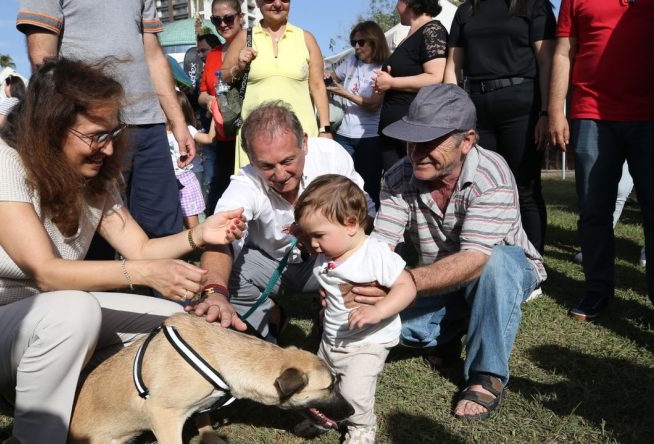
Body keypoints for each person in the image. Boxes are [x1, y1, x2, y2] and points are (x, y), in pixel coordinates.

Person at [0, 58, 245, 444]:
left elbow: (140, 248)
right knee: (74, 310)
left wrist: (199, 235)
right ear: (51, 128)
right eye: (95, 136)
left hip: (42, 325)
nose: (107, 148)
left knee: (176, 322)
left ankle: (100, 406)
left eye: (113, 133)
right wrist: (143, 274)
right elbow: (46, 273)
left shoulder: (95, 181)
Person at [362, 84, 545, 420]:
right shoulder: (399, 174)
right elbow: (381, 247)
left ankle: (485, 374)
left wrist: (404, 284)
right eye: (411, 139)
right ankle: (450, 331)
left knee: (495, 263)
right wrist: (354, 292)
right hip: (440, 278)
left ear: (467, 141)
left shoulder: (492, 174)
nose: (416, 152)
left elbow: (476, 259)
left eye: (431, 142)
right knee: (386, 326)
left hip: (499, 269)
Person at [16, 0, 196, 257]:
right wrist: (71, 124)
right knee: (91, 235)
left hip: (148, 123)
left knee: (163, 223)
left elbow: (154, 56)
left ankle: (168, 296)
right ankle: (94, 297)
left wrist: (178, 122)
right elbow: (43, 60)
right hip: (88, 128)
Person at [186, 101, 372, 343]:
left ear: (304, 142)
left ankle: (333, 323)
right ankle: (270, 323)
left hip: (331, 258)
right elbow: (220, 242)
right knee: (230, 274)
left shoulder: (331, 156)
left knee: (367, 262)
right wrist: (215, 293)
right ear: (251, 160)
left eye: (287, 161)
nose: (281, 175)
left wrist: (345, 260)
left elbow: (363, 217)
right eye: (267, 166)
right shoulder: (245, 184)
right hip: (271, 264)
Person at [548, 0, 654, 319]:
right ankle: (597, 289)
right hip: (591, 114)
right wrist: (555, 110)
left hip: (649, 117)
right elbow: (564, 52)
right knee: (594, 209)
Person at [293, 174, 416, 443]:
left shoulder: (375, 254)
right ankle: (327, 417)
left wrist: (378, 310)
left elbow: (407, 286)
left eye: (319, 235)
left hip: (367, 341)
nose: (313, 244)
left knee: (354, 391)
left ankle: (361, 427)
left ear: (350, 224)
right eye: (309, 235)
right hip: (333, 337)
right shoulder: (330, 251)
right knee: (321, 382)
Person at [444, 0, 555, 256]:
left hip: (523, 105)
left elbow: (546, 61)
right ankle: (484, 254)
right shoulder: (466, 10)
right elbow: (452, 67)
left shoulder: (533, 5)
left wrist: (547, 112)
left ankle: (532, 262)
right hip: (477, 108)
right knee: (481, 184)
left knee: (524, 187)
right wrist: (452, 115)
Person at [222, 0, 331, 171]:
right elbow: (224, 77)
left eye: (285, 0)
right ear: (258, 3)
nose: (278, 4)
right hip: (256, 138)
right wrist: (239, 67)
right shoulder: (245, 37)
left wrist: (325, 129)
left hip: (300, 137)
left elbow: (317, 86)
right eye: (270, 0)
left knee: (306, 194)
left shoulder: (306, 38)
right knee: (258, 193)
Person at [372, 0, 447, 172]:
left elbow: (435, 77)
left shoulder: (432, 30)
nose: (396, 7)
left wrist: (391, 82)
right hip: (393, 127)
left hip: (412, 127)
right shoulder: (409, 35)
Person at [325, 21, 388, 210]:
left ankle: (371, 228)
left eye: (361, 42)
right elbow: (333, 78)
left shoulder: (384, 68)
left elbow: (373, 105)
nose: (356, 47)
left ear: (374, 41)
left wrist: (344, 93)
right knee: (340, 183)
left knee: (369, 187)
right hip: (344, 135)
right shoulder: (352, 61)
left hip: (370, 137)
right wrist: (325, 76)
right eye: (353, 43)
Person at [199, 0, 245, 212]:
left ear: (241, 17)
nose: (223, 24)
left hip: (248, 133)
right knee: (223, 191)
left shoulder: (254, 45)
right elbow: (202, 92)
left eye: (228, 18)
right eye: (216, 20)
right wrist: (208, 100)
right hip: (222, 135)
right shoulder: (213, 55)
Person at [169, 90, 217, 228]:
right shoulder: (158, 132)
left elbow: (209, 138)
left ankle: (197, 247)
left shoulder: (187, 129)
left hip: (185, 180)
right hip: (167, 181)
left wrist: (215, 114)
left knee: (192, 225)